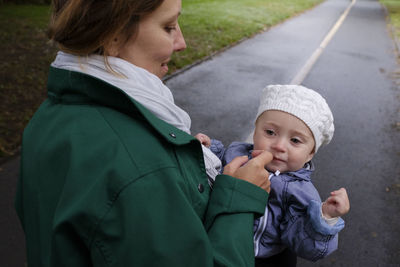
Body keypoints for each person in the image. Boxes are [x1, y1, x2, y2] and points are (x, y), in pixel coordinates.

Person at [14, 0, 275, 266]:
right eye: (169, 26)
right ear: (112, 34)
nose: (181, 42)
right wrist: (239, 199)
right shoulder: (139, 170)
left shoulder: (48, 118)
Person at [196, 84, 350, 265]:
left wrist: (325, 218)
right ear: (255, 131)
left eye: (295, 140)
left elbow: (305, 244)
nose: (279, 145)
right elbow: (219, 160)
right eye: (270, 132)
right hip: (215, 242)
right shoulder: (237, 153)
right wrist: (207, 149)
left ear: (310, 153)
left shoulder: (301, 193)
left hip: (264, 259)